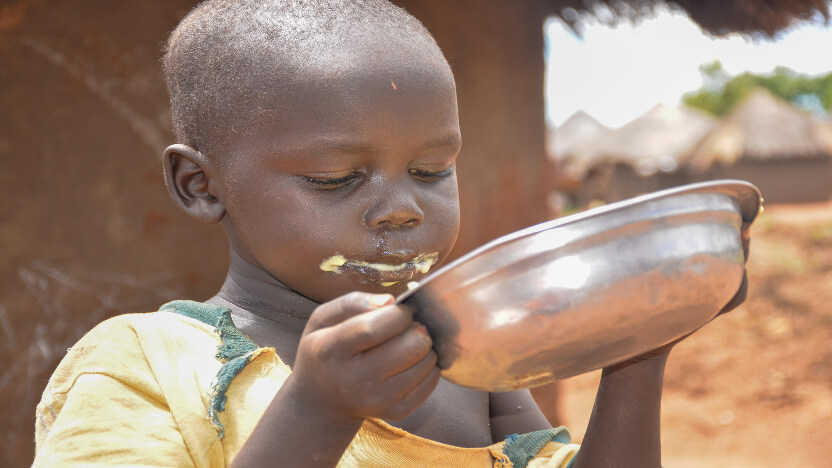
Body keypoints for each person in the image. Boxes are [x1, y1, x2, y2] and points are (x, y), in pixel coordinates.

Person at [32, 1, 749, 466]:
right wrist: (318, 411)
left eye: (433, 170)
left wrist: (643, 341)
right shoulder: (141, 363)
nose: (401, 209)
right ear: (201, 185)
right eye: (336, 179)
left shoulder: (477, 370)